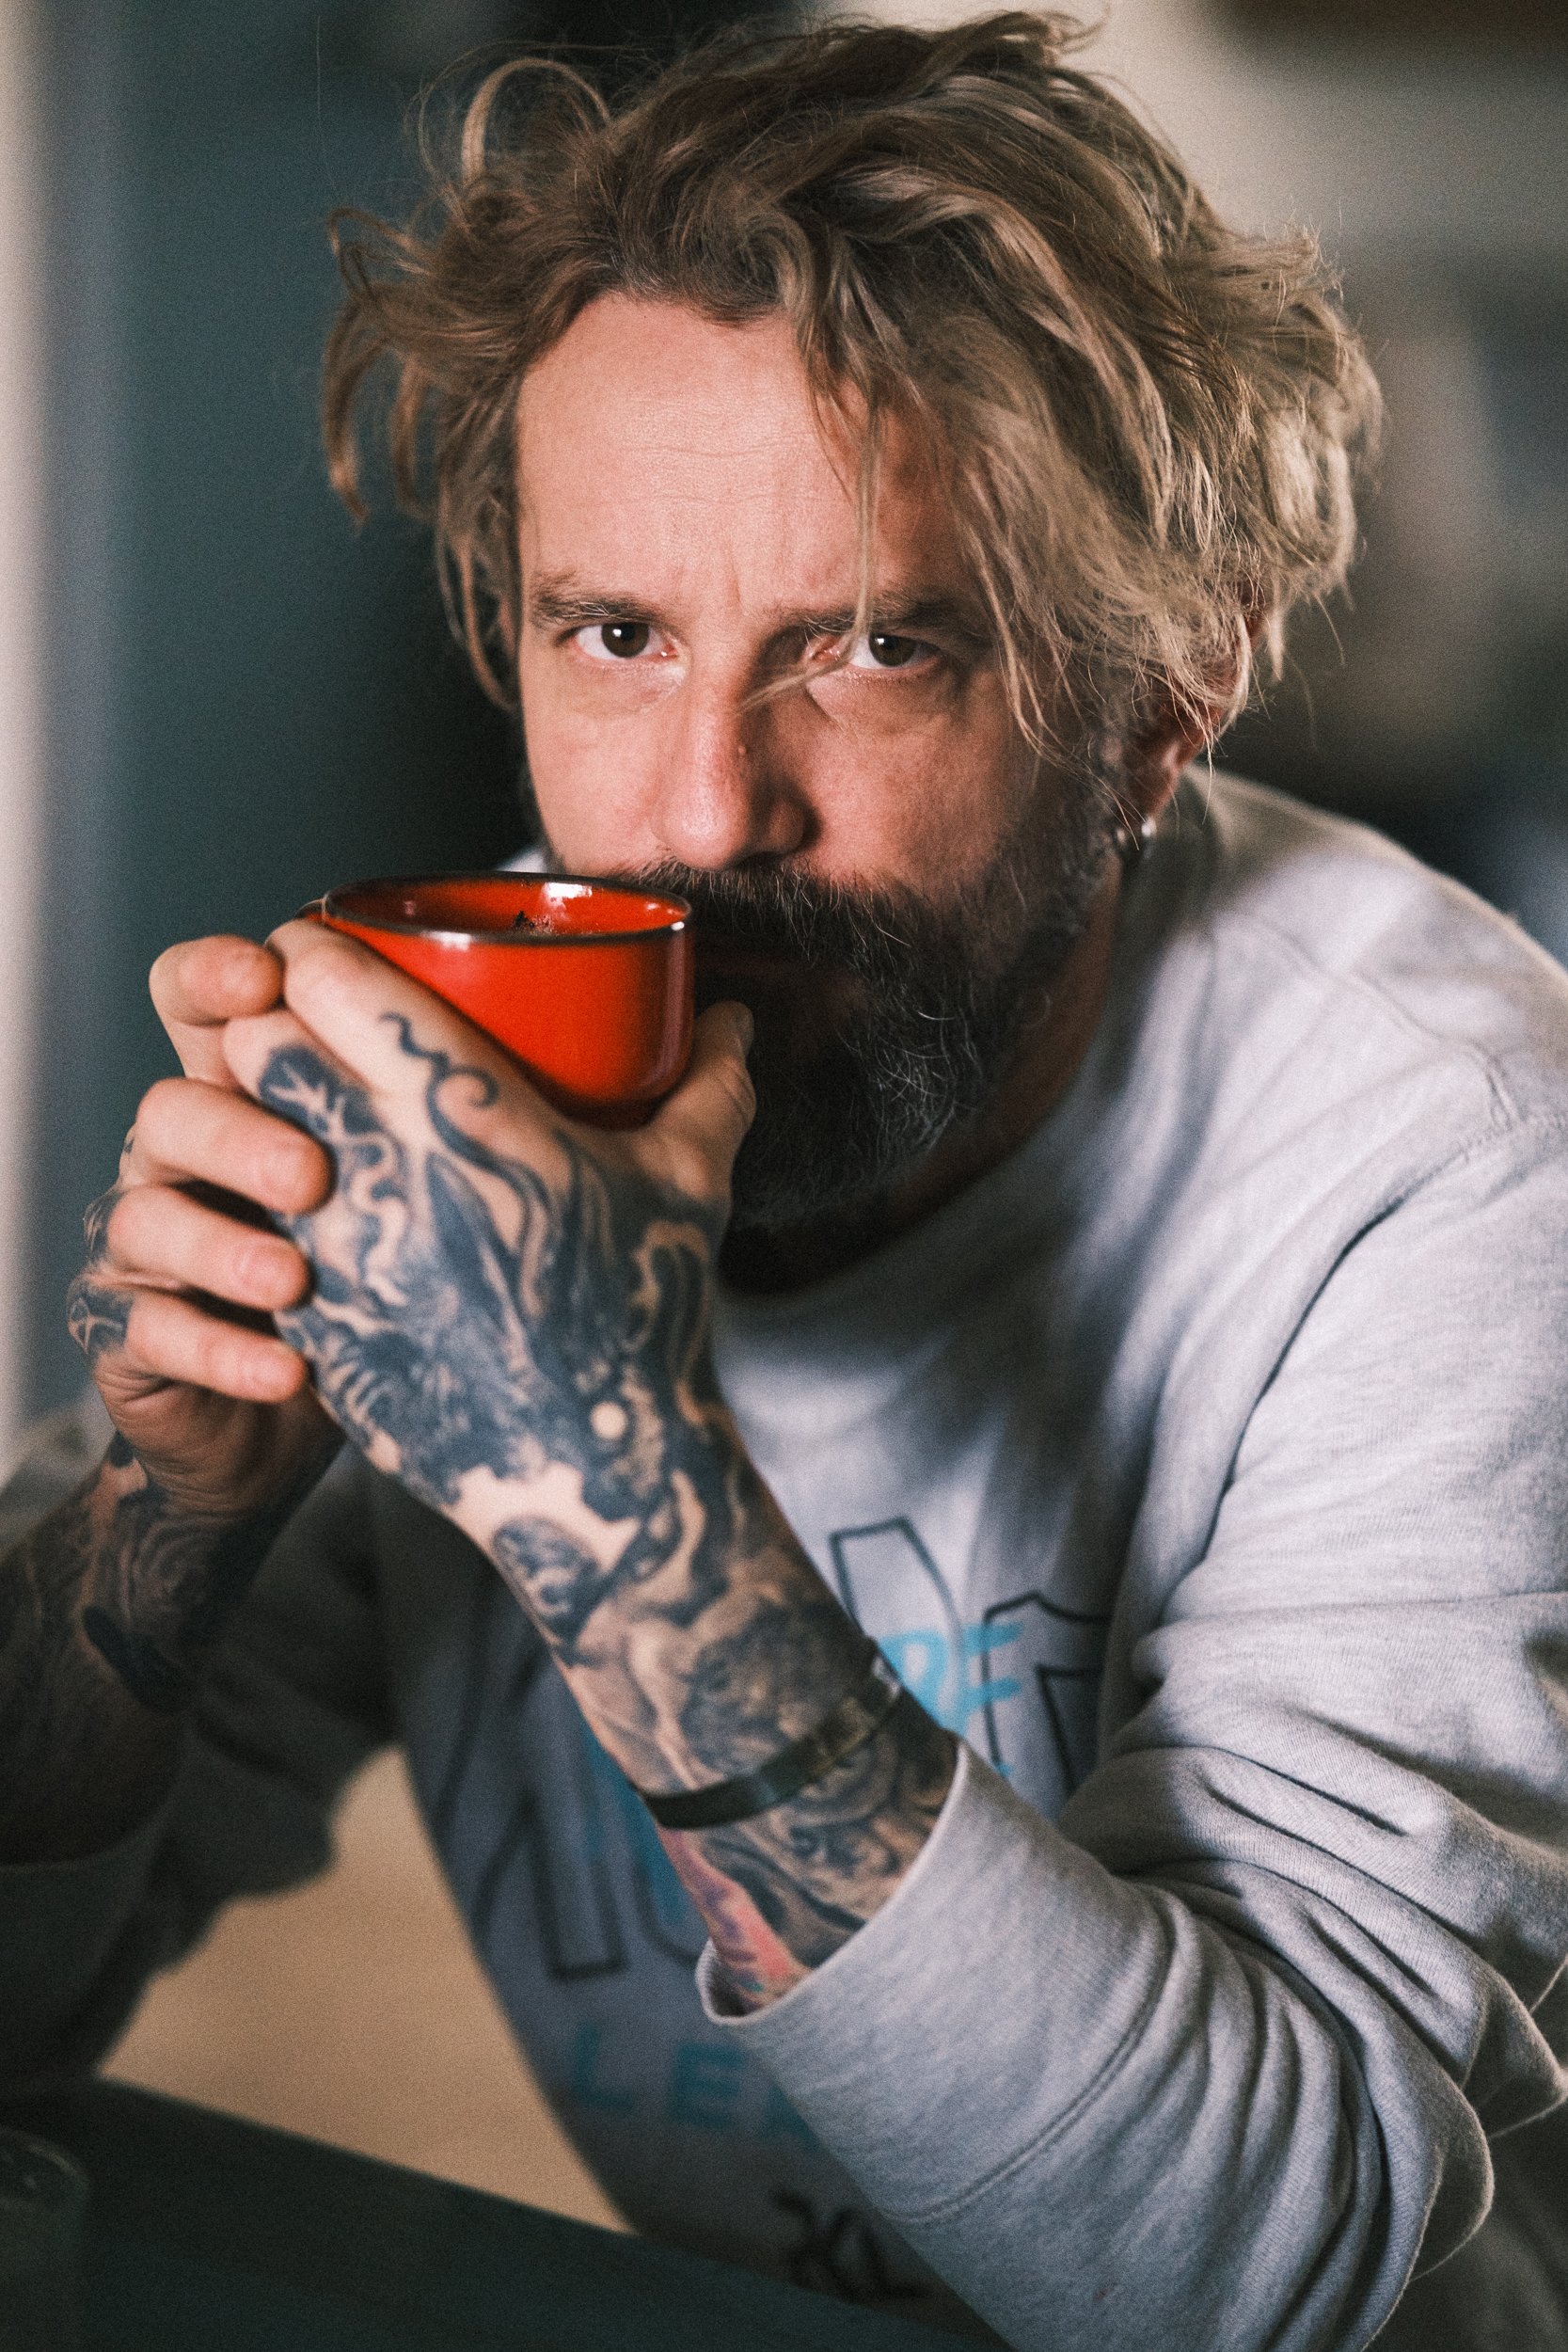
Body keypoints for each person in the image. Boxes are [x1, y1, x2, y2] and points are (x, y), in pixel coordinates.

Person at [4, 14, 1568, 2346]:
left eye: (875, 646)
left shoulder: (1450, 1152)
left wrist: (599, 1479)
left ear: (1162, 698)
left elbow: (1261, 2276)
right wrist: (175, 1505)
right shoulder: (459, 1079)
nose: (699, 813)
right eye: (615, 634)